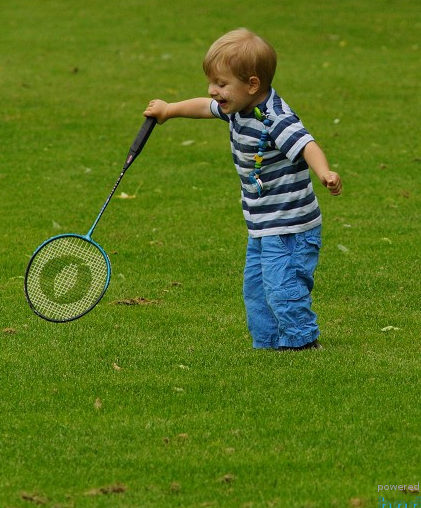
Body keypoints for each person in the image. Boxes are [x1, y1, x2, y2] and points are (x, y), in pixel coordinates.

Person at [144, 29, 342, 351]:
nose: (213, 91)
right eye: (212, 82)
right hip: (262, 225)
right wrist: (169, 110)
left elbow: (307, 144)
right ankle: (267, 343)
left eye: (221, 85)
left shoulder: (275, 118)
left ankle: (302, 342)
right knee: (256, 288)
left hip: (291, 225)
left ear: (252, 84)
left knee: (283, 286)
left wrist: (325, 172)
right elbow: (202, 107)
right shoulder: (237, 107)